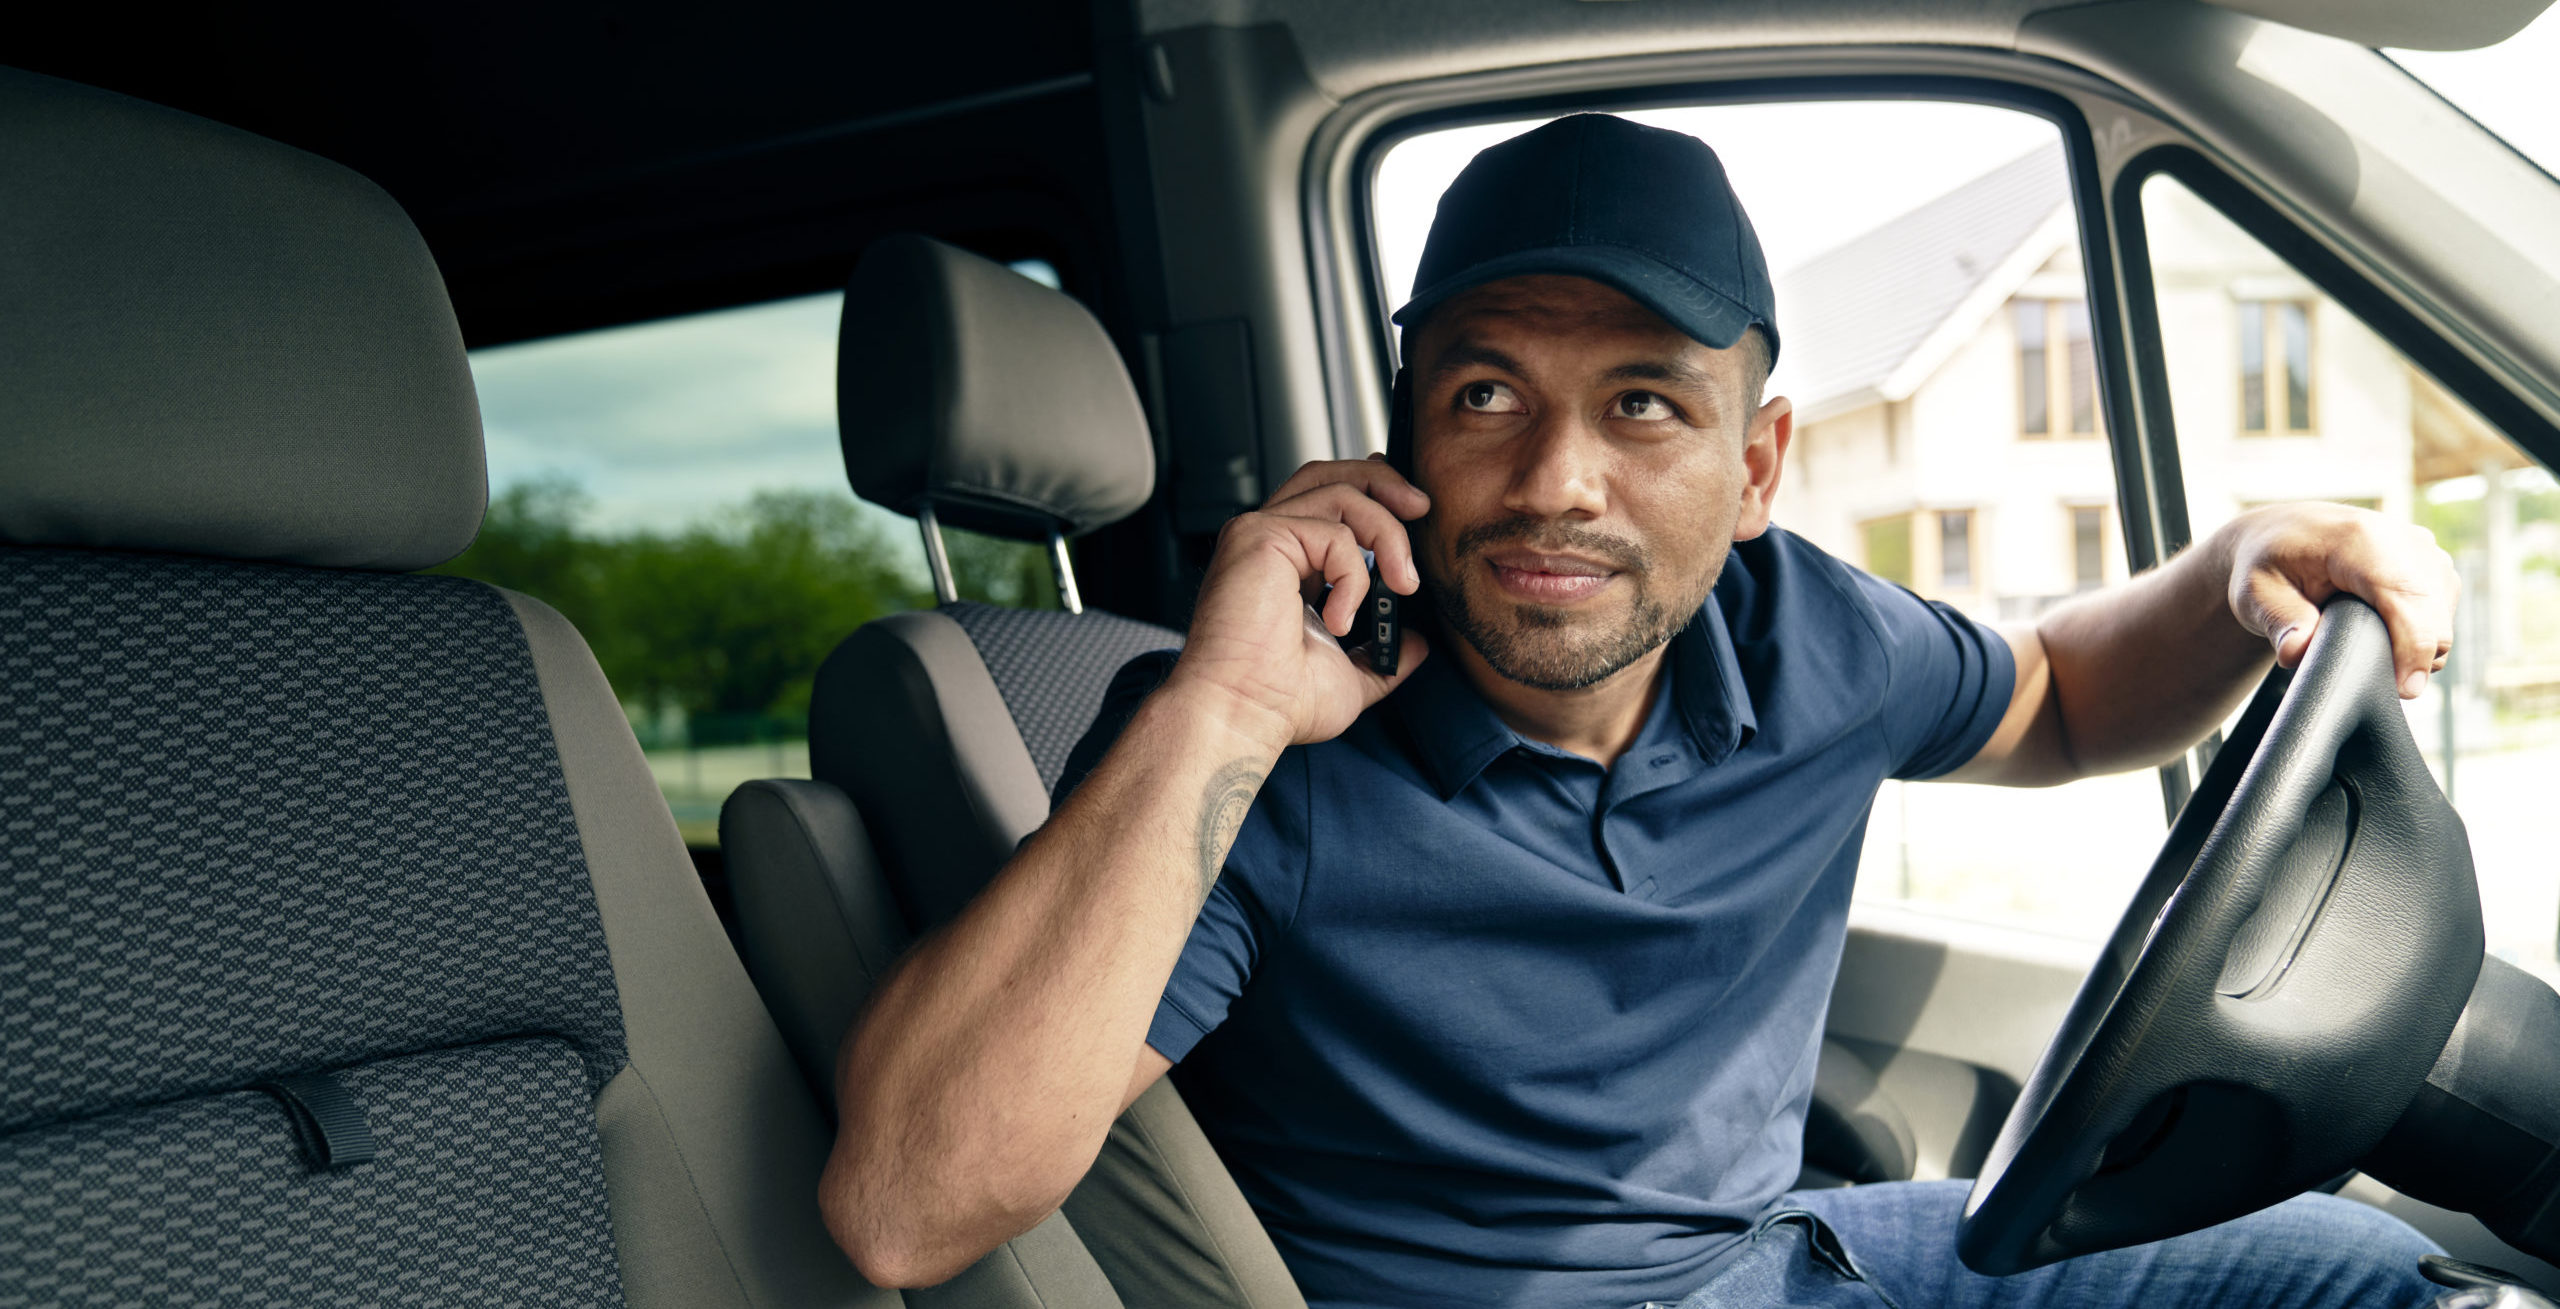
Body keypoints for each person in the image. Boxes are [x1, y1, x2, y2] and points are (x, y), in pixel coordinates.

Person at [820, 114, 2457, 1307]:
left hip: (1786, 1253)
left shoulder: (1810, 629)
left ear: (1756, 467)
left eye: (1645, 405)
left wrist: (2249, 553)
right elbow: (904, 1205)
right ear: (1402, 439)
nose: (1554, 483)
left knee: (2389, 1282)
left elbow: (2056, 694)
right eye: (1485, 396)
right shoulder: (1246, 751)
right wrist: (1223, 707)